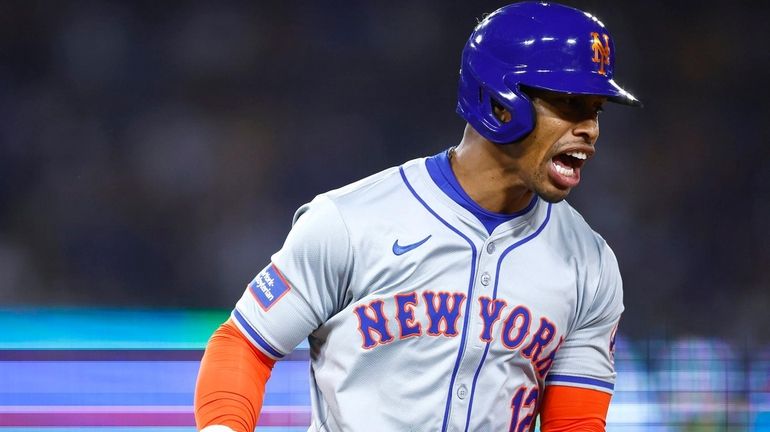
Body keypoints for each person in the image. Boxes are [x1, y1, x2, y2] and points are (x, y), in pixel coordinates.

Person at [194, 2, 641, 431]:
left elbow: (575, 422)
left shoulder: (590, 264)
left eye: (595, 111)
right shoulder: (350, 221)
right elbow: (245, 344)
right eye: (570, 105)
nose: (590, 129)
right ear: (501, 102)